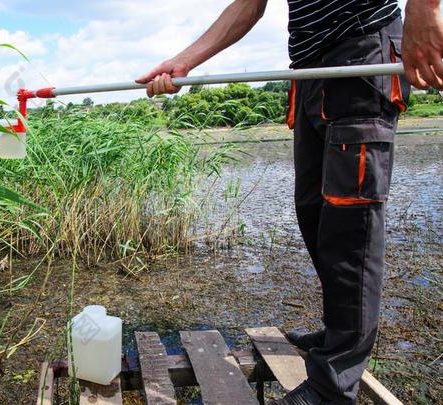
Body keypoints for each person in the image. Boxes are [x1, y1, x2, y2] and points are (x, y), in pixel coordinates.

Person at [137, 1, 443, 404]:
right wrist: (183, 62)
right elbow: (250, 4)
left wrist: (424, 8)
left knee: (350, 225)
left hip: (360, 55)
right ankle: (339, 334)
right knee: (313, 212)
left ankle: (331, 389)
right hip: (310, 69)